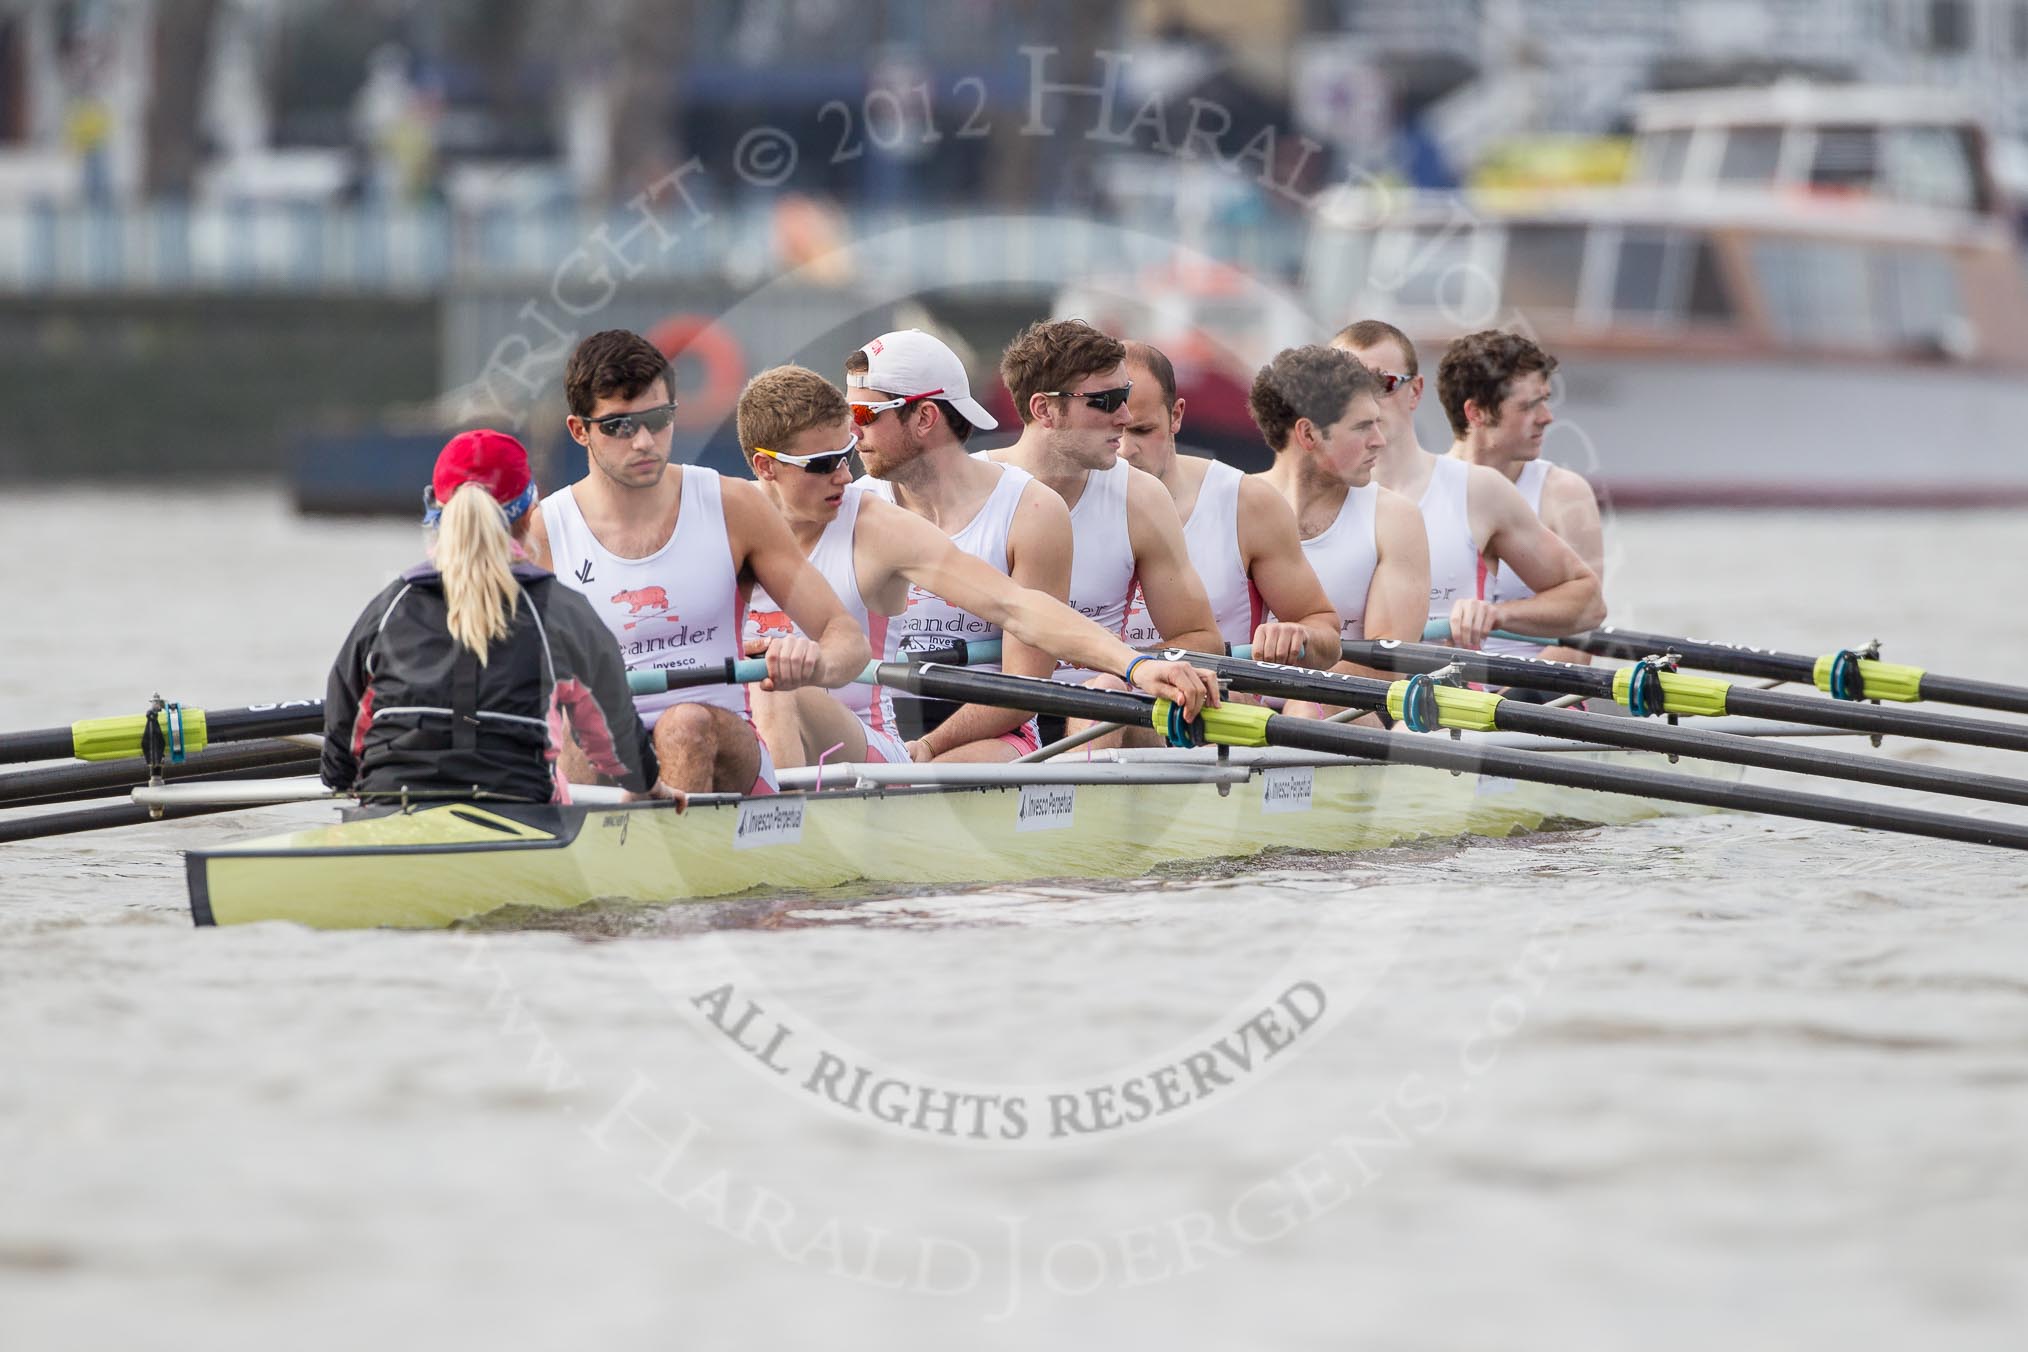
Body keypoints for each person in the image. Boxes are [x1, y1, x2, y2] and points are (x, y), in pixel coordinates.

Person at [737, 365, 1219, 766]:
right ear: (765, 468)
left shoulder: (876, 528)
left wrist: (1133, 666)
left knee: (768, 679)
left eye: (847, 454)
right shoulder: (720, 521)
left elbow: (1018, 607)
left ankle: (780, 838)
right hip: (744, 737)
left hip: (864, 750)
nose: (846, 475)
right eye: (824, 464)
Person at [527, 329, 869, 794]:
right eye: (621, 426)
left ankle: (663, 855)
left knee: (682, 725)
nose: (645, 442)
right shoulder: (545, 531)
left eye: (658, 419)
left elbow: (847, 639)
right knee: (583, 731)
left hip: (722, 744)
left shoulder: (732, 505)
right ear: (579, 430)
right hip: (604, 747)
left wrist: (813, 661)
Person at [321, 430, 661, 804]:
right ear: (530, 513)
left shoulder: (390, 606)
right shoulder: (562, 611)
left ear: (434, 512)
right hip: (519, 810)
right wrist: (648, 783)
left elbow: (341, 729)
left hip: (390, 807)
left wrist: (341, 780)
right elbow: (619, 745)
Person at [987, 319, 1222, 747]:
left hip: (1105, 709)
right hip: (988, 717)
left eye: (1126, 397)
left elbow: (1203, 639)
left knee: (1104, 695)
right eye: (1107, 401)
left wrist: (1124, 663)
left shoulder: (1141, 498)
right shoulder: (975, 490)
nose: (1125, 417)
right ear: (1043, 410)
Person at [1332, 320, 1604, 650]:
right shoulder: (1304, 499)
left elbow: (1590, 606)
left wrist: (1495, 615)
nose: (1365, 401)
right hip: (1351, 698)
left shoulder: (1482, 491)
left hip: (1467, 694)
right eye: (1345, 387)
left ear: (1415, 391)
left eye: (1383, 384)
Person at [1115, 339, 1341, 666]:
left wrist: (1299, 636)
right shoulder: (1055, 504)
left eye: (1142, 430)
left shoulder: (1247, 504)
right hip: (1103, 704)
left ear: (1176, 416)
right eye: (1114, 430)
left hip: (1219, 702)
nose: (1125, 449)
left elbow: (1325, 633)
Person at [1248, 346, 1429, 710]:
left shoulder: (1394, 518)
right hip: (1244, 707)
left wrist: (1297, 696)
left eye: (1377, 423)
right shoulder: (1231, 503)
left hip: (1349, 711)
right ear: (1309, 434)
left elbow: (1385, 666)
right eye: (1363, 426)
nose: (1379, 439)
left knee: (1305, 708)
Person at [1439, 329, 1607, 668]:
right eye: (1530, 405)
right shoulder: (1417, 495)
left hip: (1540, 692)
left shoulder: (1565, 494)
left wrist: (1508, 702)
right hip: (1439, 688)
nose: (1547, 417)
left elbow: (1585, 628)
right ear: (1476, 414)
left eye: (1544, 400)